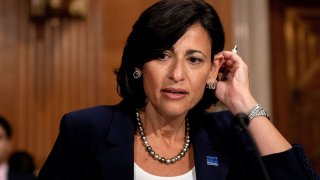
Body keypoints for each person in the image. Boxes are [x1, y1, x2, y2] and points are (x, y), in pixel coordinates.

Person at [38, 0, 319, 179]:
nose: (176, 74)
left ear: (212, 70)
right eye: (162, 56)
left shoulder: (228, 135)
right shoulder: (86, 130)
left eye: (194, 60)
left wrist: (243, 101)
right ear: (139, 64)